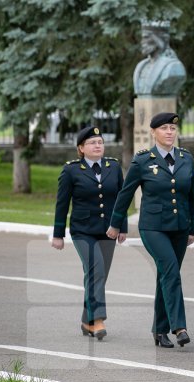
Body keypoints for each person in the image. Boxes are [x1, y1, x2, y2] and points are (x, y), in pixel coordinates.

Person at [107, 112, 194, 348]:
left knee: (165, 276)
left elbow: (193, 197)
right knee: (170, 271)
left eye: (172, 128)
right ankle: (179, 326)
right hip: (153, 227)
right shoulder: (143, 160)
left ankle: (159, 330)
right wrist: (116, 223)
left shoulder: (186, 158)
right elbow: (125, 193)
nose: (169, 132)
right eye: (164, 128)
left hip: (179, 227)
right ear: (153, 132)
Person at [52, 126, 127, 340]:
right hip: (82, 231)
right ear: (81, 148)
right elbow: (62, 203)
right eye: (92, 143)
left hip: (108, 230)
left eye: (100, 142)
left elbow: (121, 198)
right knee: (97, 271)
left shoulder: (113, 166)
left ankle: (86, 320)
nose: (97, 146)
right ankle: (98, 320)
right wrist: (58, 234)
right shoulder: (71, 170)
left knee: (98, 277)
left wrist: (122, 227)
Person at [133, 20, 186, 96]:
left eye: (146, 37)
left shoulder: (174, 66)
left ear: (159, 40)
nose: (142, 42)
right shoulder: (141, 65)